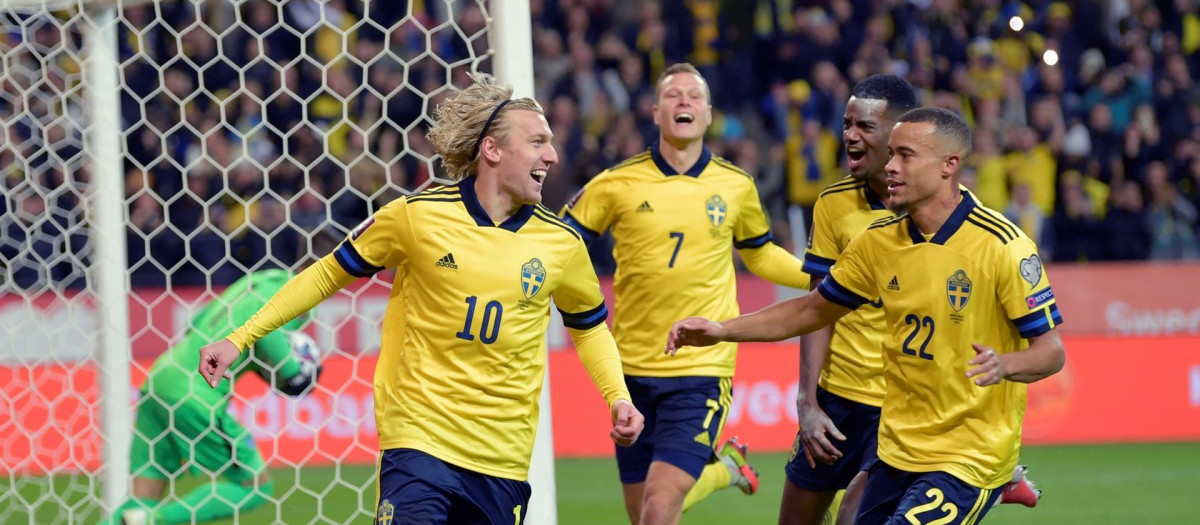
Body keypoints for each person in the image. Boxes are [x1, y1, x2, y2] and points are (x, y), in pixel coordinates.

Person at [199, 75, 644, 525]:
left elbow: (589, 329)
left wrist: (617, 397)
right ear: (492, 149)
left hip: (501, 460)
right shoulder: (417, 217)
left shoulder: (560, 244)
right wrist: (239, 338)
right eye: (537, 142)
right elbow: (328, 273)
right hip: (418, 441)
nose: (551, 154)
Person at [668, 107, 1065, 525]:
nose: (890, 167)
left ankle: (997, 487)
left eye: (905, 156)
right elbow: (810, 310)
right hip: (898, 450)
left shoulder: (1003, 246)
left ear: (950, 165)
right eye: (891, 154)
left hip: (968, 456)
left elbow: (1050, 352)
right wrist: (720, 330)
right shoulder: (877, 243)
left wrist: (1005, 364)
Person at [560, 62, 811, 525]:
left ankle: (717, 470)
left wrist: (820, 278)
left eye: (693, 96)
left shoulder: (735, 186)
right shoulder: (617, 182)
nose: (683, 102)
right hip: (629, 372)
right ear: (655, 113)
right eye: (673, 96)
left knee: (659, 506)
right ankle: (724, 470)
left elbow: (760, 255)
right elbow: (561, 241)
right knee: (647, 518)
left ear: (709, 114)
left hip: (701, 369)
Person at [784, 77, 1041, 525]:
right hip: (842, 391)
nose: (849, 135)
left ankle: (982, 485)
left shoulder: (978, 231)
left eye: (864, 126)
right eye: (846, 124)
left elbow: (1044, 345)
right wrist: (808, 400)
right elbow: (814, 309)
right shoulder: (837, 207)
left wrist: (1002, 365)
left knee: (854, 514)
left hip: (898, 404)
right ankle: (990, 489)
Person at [109, 269, 323, 525]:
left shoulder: (259, 280)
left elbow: (194, 323)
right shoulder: (297, 296)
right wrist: (293, 372)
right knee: (254, 487)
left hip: (160, 377)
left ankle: (141, 517)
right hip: (194, 395)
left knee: (144, 495)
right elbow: (269, 330)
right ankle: (153, 520)